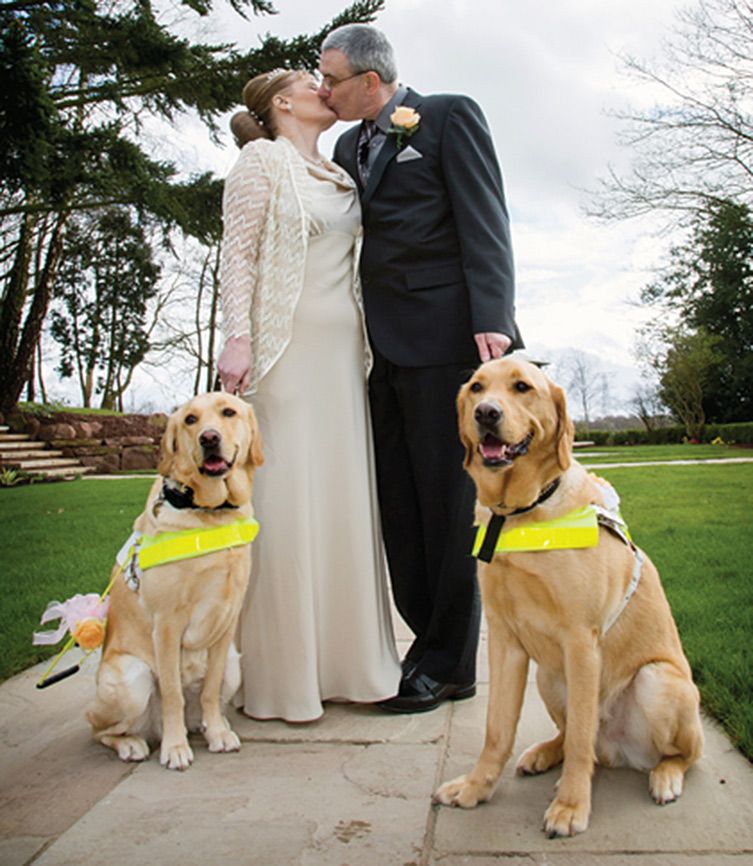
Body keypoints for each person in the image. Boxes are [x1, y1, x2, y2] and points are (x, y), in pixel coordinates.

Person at [318, 25, 523, 713]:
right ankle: (422, 644)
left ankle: (449, 664)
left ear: (371, 82)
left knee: (447, 508)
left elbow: (483, 216)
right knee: (399, 509)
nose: (323, 90)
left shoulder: (446, 116)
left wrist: (491, 316)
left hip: (443, 344)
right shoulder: (347, 145)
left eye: (332, 79)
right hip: (373, 352)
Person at [217, 68, 401, 722]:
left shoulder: (340, 172)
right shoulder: (260, 162)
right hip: (285, 355)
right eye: (309, 81)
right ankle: (283, 679)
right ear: (281, 103)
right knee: (288, 504)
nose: (326, 88)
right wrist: (236, 339)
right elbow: (236, 257)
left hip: (343, 360)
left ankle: (355, 667)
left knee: (342, 502)